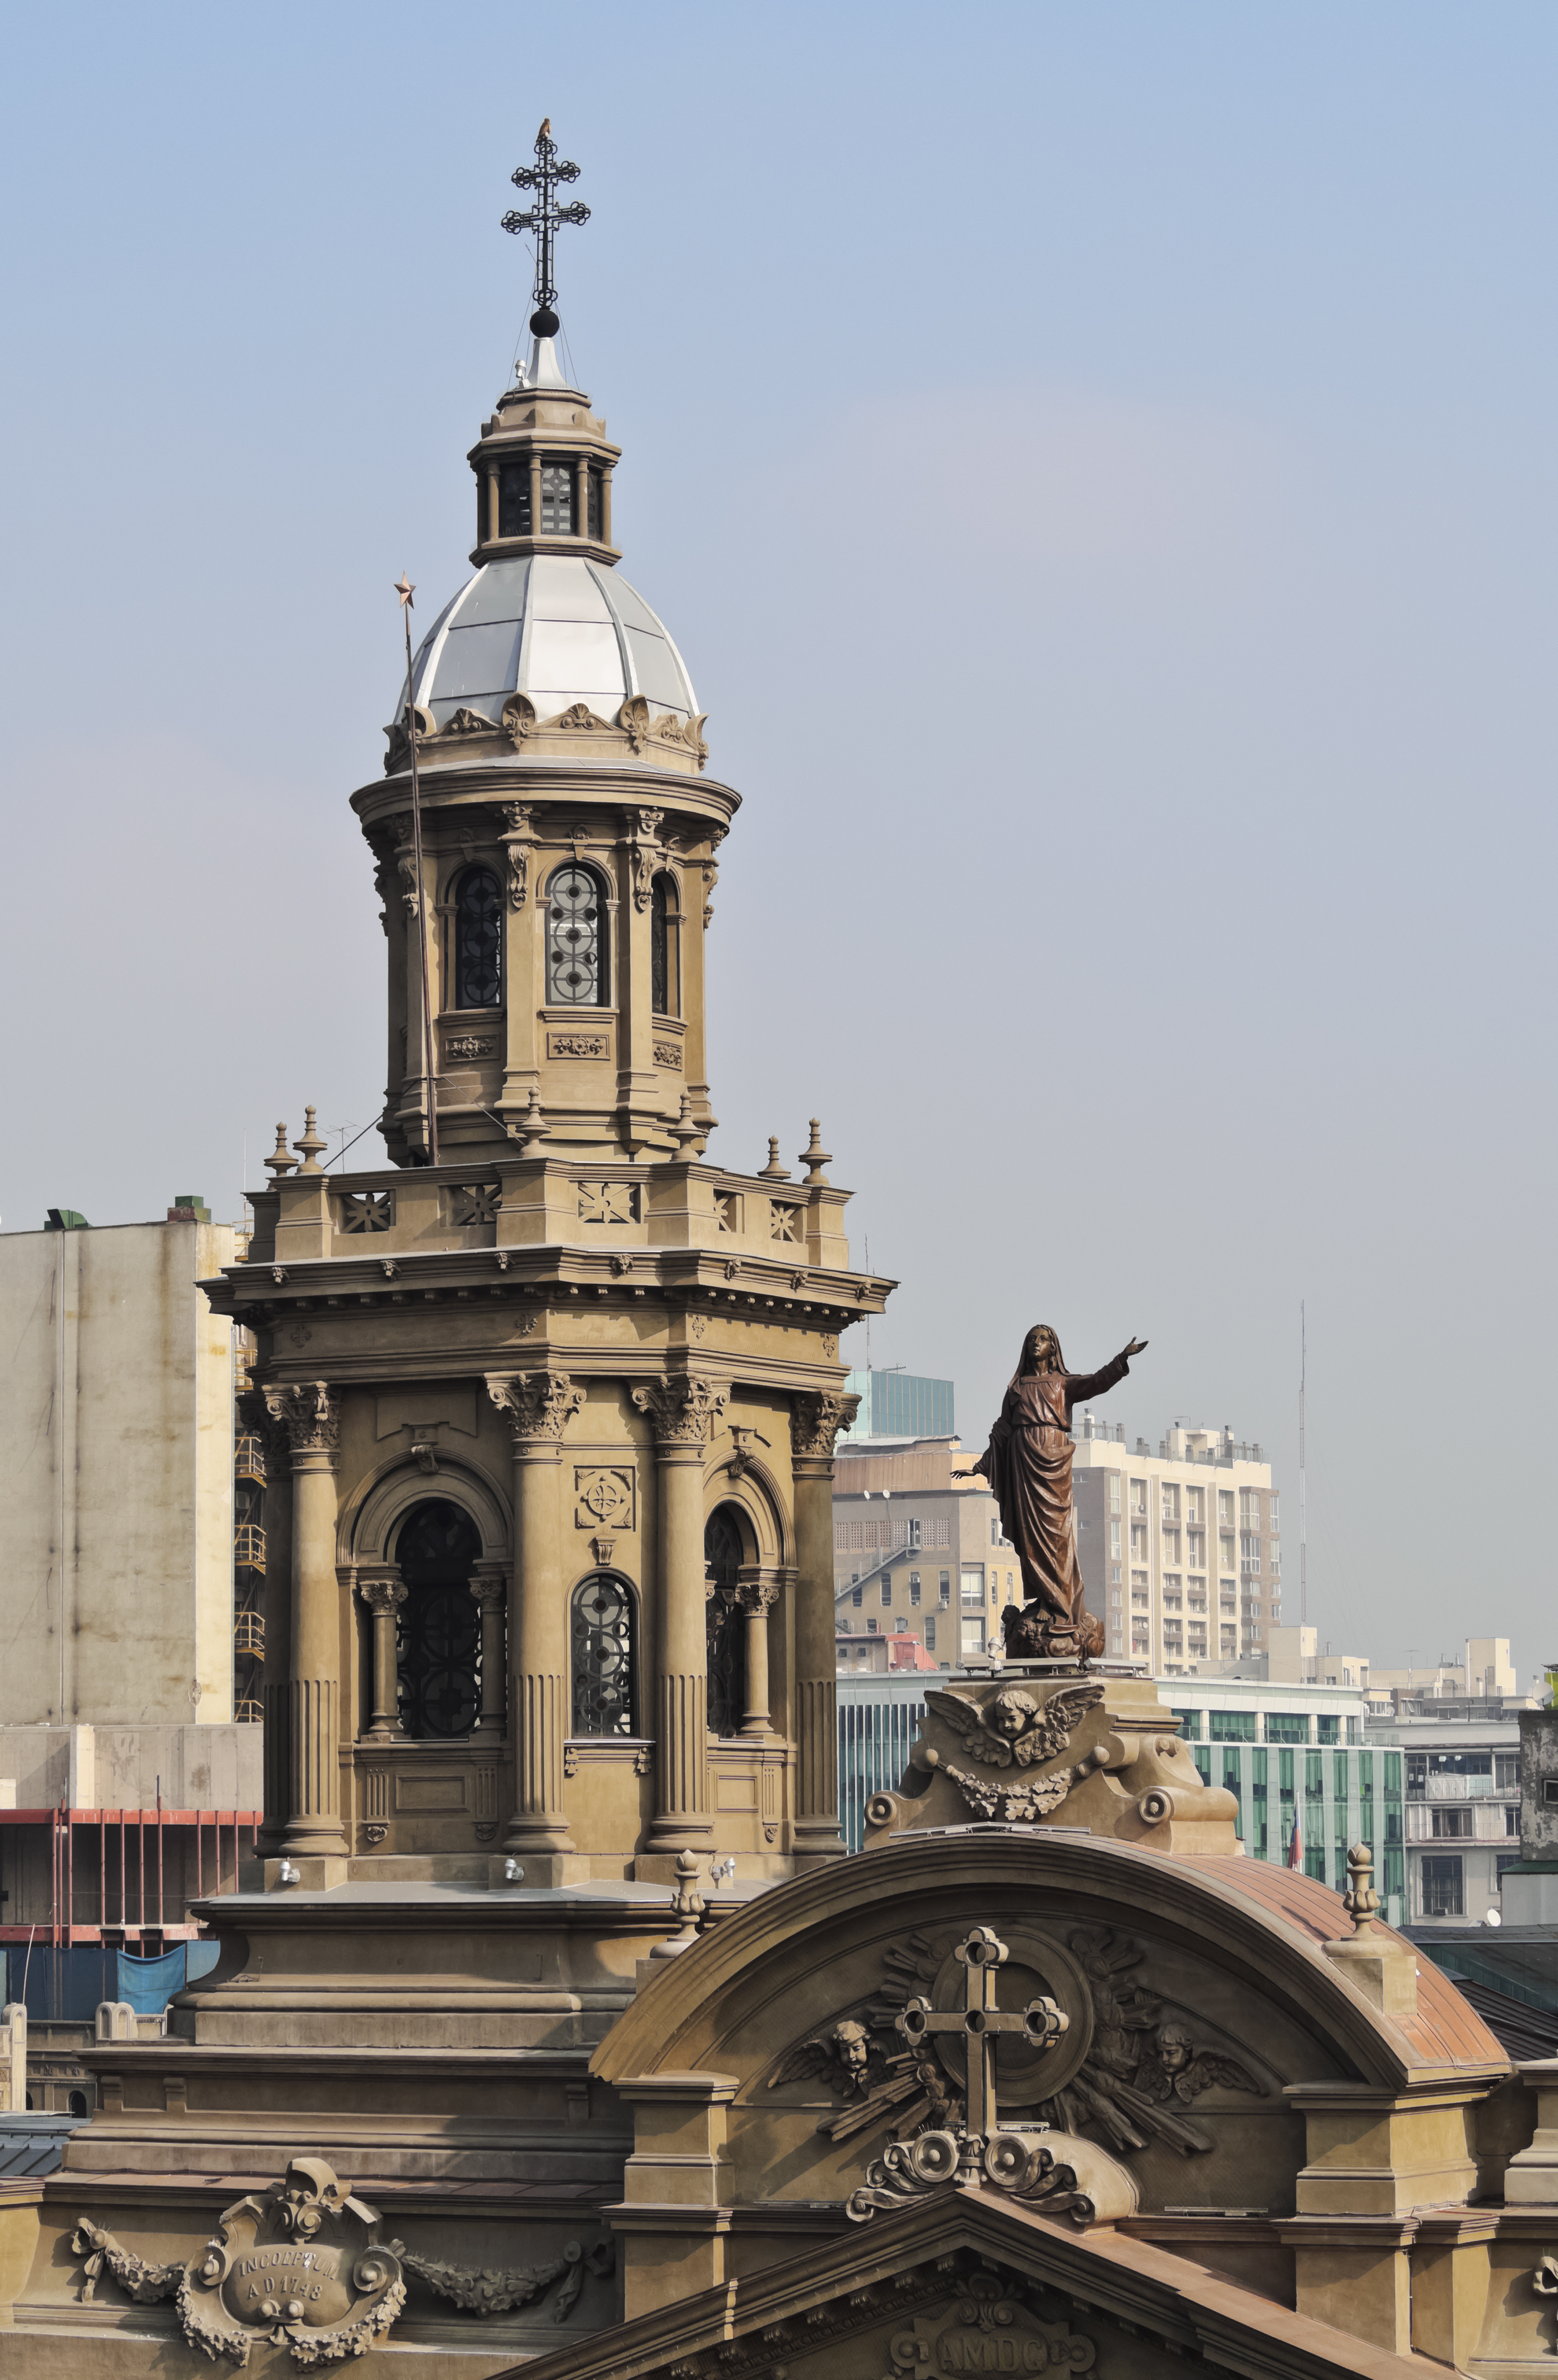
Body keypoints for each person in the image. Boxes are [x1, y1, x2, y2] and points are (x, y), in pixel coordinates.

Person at [956, 1325, 1146, 1656]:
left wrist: (1121, 1360)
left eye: (1042, 1340)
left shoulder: (1062, 1384)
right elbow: (1001, 1431)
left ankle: (1062, 1606)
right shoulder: (1016, 1387)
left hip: (1053, 1458)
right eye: (1031, 1339)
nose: (1036, 1344)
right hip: (1021, 1460)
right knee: (1031, 1537)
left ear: (1053, 1349)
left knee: (1056, 1535)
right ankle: (1045, 1600)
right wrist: (980, 1465)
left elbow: (1096, 1382)